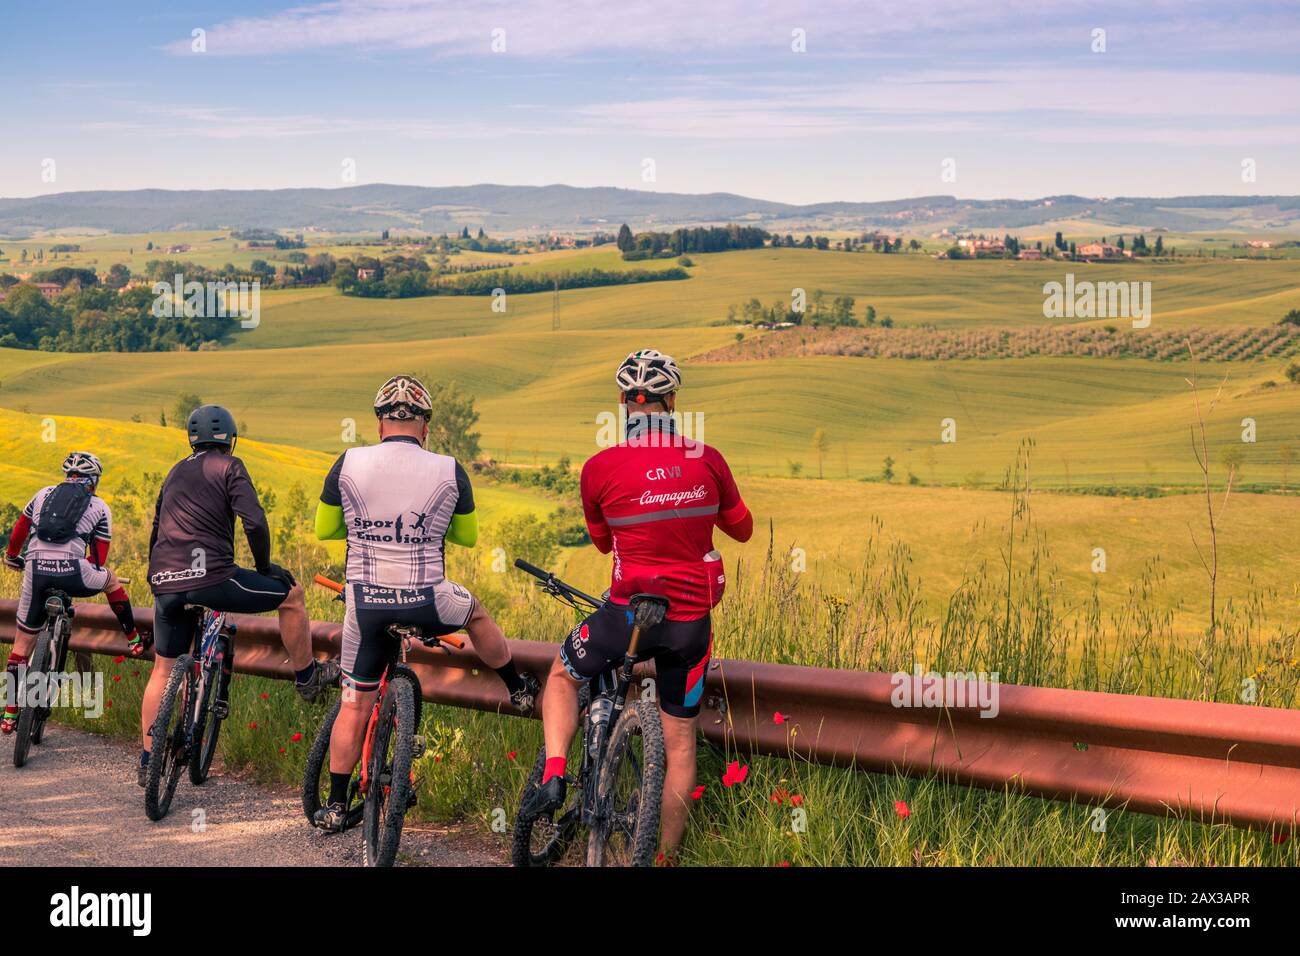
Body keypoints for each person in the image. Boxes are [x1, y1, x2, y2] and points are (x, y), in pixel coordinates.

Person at [521, 349, 753, 862]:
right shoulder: (708, 458)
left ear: (625, 404)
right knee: (680, 746)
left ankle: (556, 774)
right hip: (690, 625)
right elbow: (744, 528)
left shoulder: (599, 468)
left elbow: (604, 545)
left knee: (561, 675)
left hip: (625, 620)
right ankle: (662, 857)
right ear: (672, 401)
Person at [309, 374, 539, 831]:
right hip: (428, 600)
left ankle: (335, 805)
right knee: (475, 613)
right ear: (425, 426)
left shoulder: (347, 462)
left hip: (366, 601)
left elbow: (326, 530)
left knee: (355, 703)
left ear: (379, 424)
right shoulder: (449, 468)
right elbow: (467, 537)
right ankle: (516, 687)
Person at [139, 405, 338, 785]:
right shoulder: (230, 467)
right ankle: (308, 677)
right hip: (212, 578)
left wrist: (157, 576)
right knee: (292, 595)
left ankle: (149, 760)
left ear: (190, 439)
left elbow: (155, 526)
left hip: (165, 581)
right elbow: (254, 521)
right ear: (230, 439)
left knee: (163, 669)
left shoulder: (175, 471)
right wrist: (265, 567)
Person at [2, 452, 138, 735]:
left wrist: (12, 556)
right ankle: (134, 639)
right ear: (94, 481)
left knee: (20, 649)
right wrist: (79, 564)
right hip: (74, 573)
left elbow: (19, 531)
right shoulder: (99, 506)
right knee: (111, 580)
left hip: (35, 571)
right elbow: (98, 558)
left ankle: (9, 714)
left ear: (67, 476)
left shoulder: (42, 494)